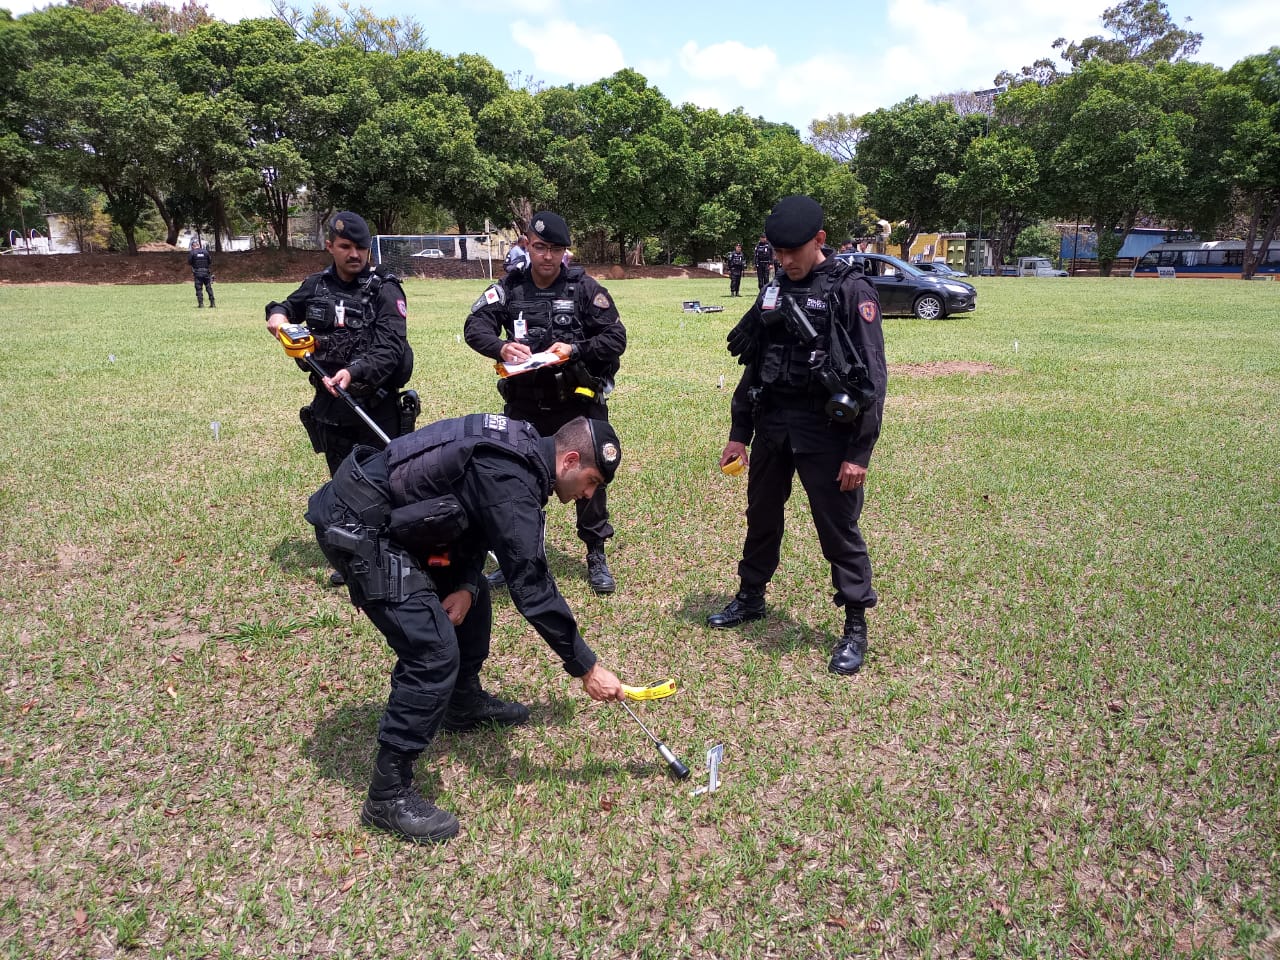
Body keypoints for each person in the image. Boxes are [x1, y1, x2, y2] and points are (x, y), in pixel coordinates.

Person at [305, 413, 627, 843]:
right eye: (591, 482)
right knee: (433, 651)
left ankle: (462, 703)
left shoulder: (521, 449)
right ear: (569, 460)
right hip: (361, 526)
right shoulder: (513, 478)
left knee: (473, 595)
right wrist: (587, 667)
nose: (587, 495)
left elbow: (469, 515)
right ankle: (387, 795)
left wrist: (464, 583)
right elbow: (531, 586)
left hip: (395, 518)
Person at [708, 195, 888, 676]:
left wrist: (859, 452)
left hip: (827, 431)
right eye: (778, 251)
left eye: (793, 251)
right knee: (761, 516)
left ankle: (854, 624)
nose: (785, 260)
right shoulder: (772, 290)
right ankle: (751, 597)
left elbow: (873, 378)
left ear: (819, 240)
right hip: (772, 425)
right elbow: (753, 367)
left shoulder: (850, 290)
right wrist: (739, 433)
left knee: (838, 528)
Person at [464, 211, 627, 595]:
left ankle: (596, 553)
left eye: (556, 249)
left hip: (577, 404)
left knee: (589, 480)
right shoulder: (510, 288)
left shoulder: (583, 289)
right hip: (526, 405)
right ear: (527, 246)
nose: (548, 256)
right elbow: (474, 327)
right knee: (516, 482)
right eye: (540, 247)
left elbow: (615, 338)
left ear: (565, 251)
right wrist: (501, 346)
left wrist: (575, 349)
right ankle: (519, 557)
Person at [264, 211, 416, 479]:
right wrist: (278, 316)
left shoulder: (385, 289)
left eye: (361, 248)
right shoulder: (316, 285)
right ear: (330, 246)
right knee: (341, 485)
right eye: (345, 246)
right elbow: (285, 307)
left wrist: (352, 373)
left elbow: (390, 349)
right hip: (330, 409)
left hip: (375, 408)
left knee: (383, 486)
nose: (355, 254)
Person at [188, 239, 215, 308]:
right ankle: (212, 303)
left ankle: (201, 304)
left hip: (198, 273)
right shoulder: (205, 251)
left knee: (199, 288)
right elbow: (210, 261)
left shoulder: (192, 252)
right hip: (206, 272)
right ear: (199, 245)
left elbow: (189, 262)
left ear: (193, 246)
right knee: (209, 288)